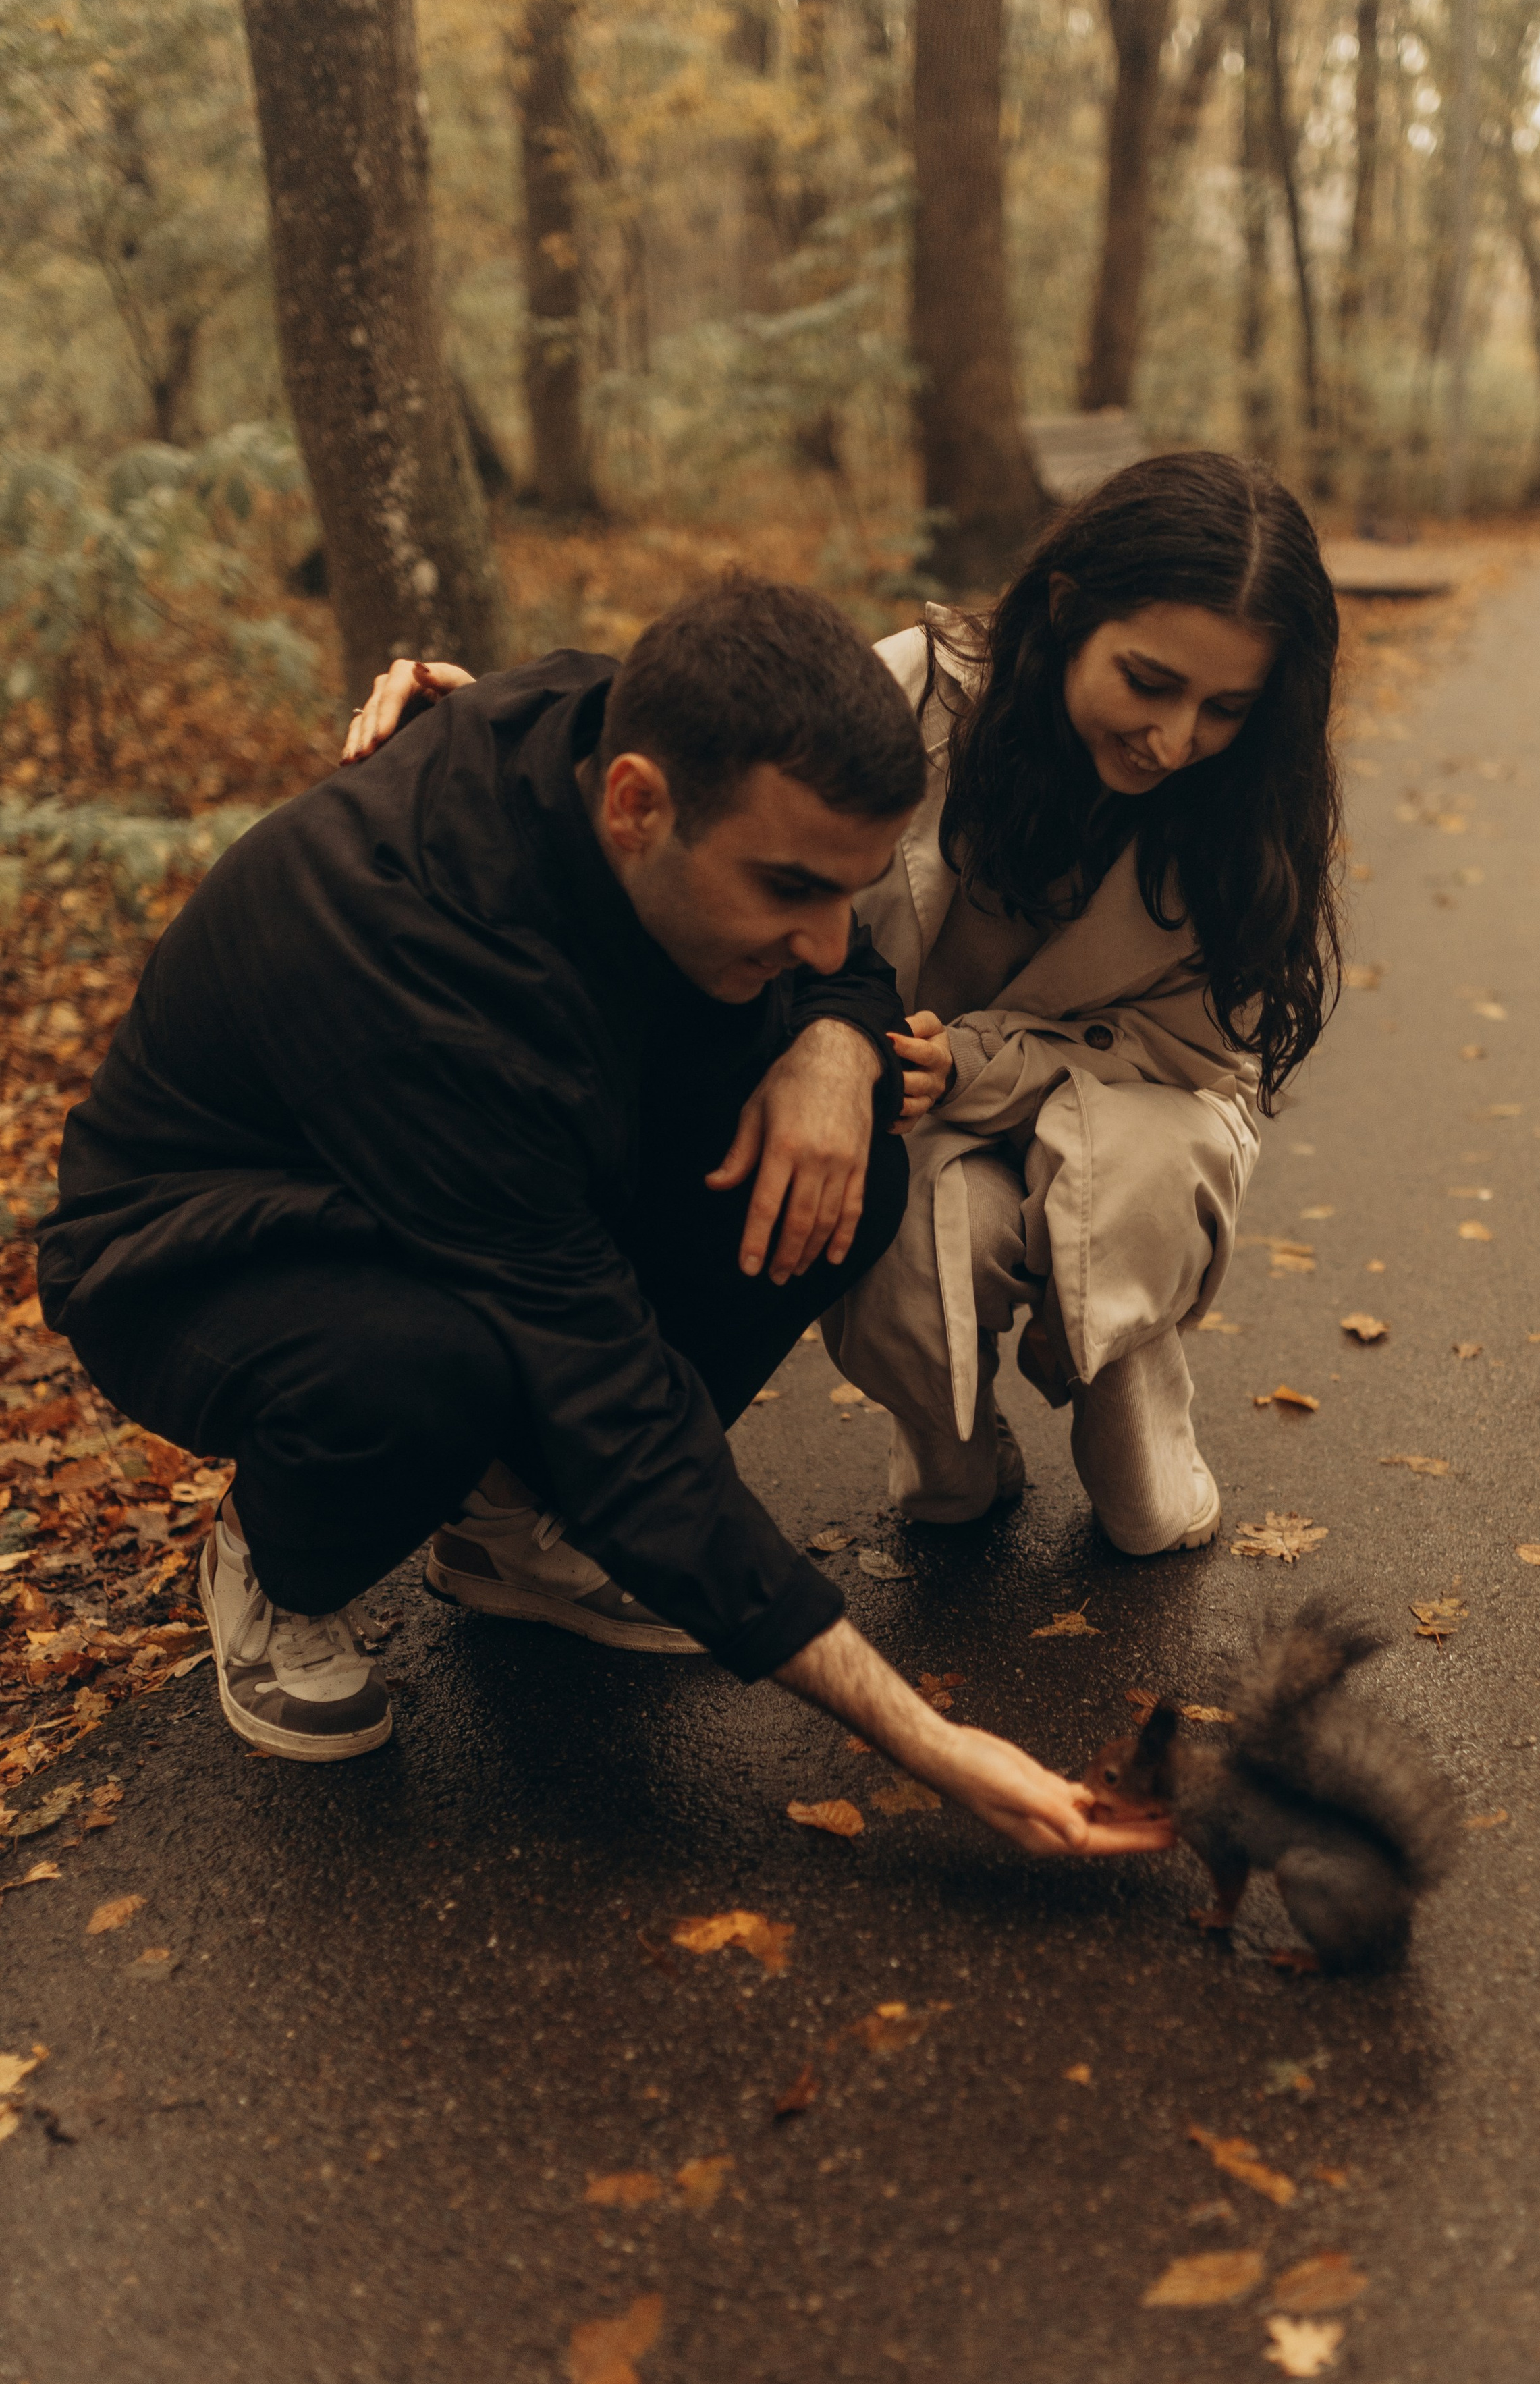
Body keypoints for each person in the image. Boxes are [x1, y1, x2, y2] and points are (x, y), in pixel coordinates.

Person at [36, 576, 1165, 1864]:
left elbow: (841, 964)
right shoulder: (416, 960)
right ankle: (274, 1563)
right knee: (433, 1368)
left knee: (839, 1174)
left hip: (473, 1185)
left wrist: (839, 1043)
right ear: (636, 807)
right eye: (788, 887)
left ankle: (514, 1537)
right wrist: (927, 1739)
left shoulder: (614, 723)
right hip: (201, 1244)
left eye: (844, 892)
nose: (821, 936)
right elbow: (608, 1389)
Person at [371, 453, 1343, 1564]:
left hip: (1132, 1111)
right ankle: (947, 1438)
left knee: (1126, 1224)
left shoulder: (1250, 807)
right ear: (1070, 611)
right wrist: (493, 727)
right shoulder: (915, 693)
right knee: (916, 1234)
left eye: (1225, 708)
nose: (1174, 742)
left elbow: (1189, 1056)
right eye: (1149, 682)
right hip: (912, 1112)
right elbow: (709, 755)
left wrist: (976, 1064)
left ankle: (1127, 1387)